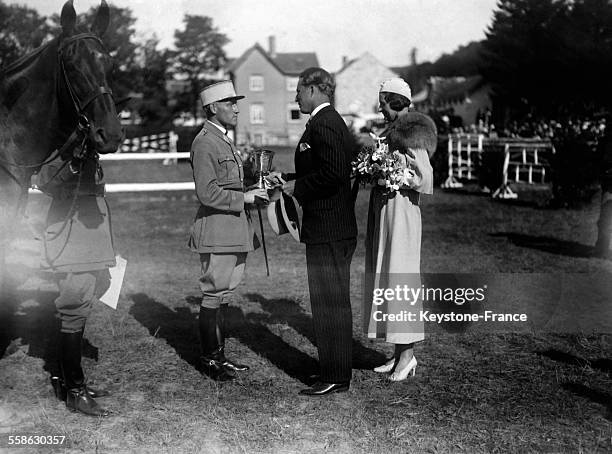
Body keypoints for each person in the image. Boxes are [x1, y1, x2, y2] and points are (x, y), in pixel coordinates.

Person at [267, 67, 358, 396]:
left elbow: (334, 174)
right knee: (330, 301)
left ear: (316, 89)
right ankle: (335, 371)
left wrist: (295, 187)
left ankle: (335, 375)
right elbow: (324, 168)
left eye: (299, 90)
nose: (295, 96)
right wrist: (290, 177)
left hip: (329, 229)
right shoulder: (325, 122)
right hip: (330, 227)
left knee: (330, 303)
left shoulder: (326, 123)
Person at [189, 80, 268, 381]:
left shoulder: (223, 139)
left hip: (233, 229)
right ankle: (210, 360)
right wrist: (244, 198)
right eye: (229, 103)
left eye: (236, 102)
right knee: (213, 295)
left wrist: (254, 185)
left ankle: (219, 357)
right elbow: (207, 193)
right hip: (218, 231)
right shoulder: (205, 142)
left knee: (222, 295)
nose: (236, 108)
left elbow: (228, 183)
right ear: (212, 108)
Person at [364, 78, 436, 381]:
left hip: (403, 215)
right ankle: (398, 354)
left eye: (385, 105)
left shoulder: (412, 132)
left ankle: (407, 357)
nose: (382, 111)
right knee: (387, 280)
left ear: (396, 103)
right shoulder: (391, 132)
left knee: (400, 281)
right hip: (386, 211)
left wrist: (393, 175)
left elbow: (425, 178)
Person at [35, 149, 115, 417]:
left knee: (88, 299)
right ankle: (74, 391)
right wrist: (74, 161)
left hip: (92, 234)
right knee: (74, 309)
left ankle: (69, 380)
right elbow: (45, 182)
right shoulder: (60, 145)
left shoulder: (87, 143)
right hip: (72, 234)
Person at [594, 119, 612, 259]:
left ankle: (602, 248)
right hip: (609, 182)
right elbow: (601, 161)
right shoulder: (606, 142)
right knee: (605, 217)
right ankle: (602, 248)